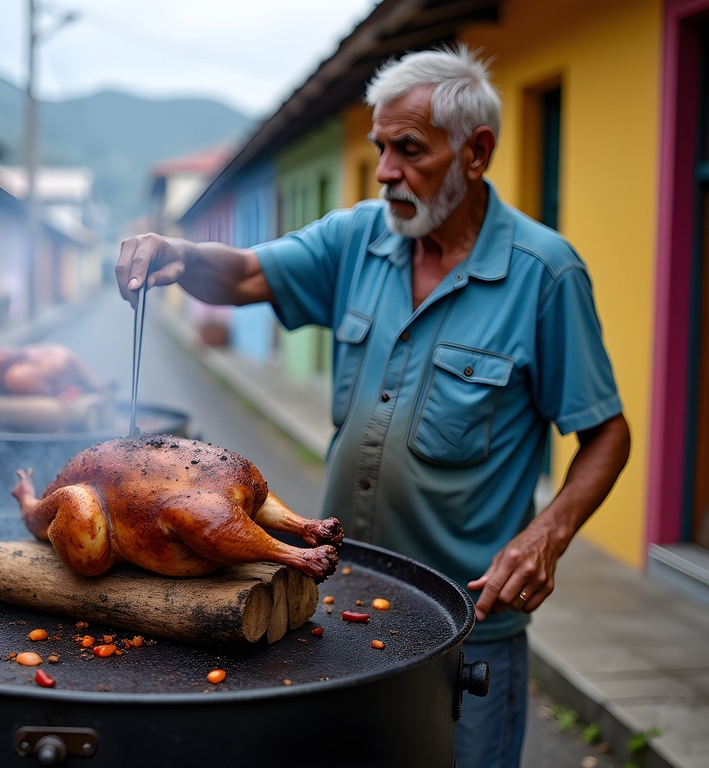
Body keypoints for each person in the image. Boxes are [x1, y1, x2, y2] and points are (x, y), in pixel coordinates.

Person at [115, 44, 631, 768]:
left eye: (409, 150)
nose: (387, 170)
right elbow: (248, 275)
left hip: (466, 625)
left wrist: (547, 535)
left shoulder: (544, 276)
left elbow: (606, 434)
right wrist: (181, 255)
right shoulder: (361, 237)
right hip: (337, 601)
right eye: (381, 147)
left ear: (476, 151)